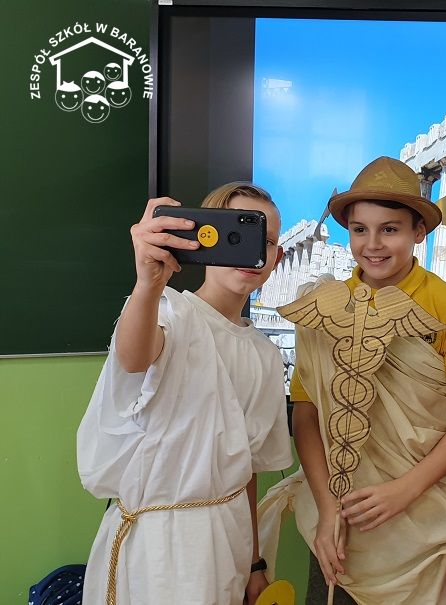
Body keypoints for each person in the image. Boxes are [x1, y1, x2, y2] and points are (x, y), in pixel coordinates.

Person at [268, 156, 446, 604]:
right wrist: (328, 505)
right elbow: (307, 412)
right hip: (339, 515)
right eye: (359, 230)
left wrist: (404, 490)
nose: (372, 244)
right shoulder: (325, 304)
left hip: (420, 514)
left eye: (389, 229)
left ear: (418, 232)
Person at [77, 183, 293, 605]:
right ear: (204, 239)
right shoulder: (169, 312)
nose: (251, 249)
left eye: (265, 240)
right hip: (160, 545)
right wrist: (147, 285)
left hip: (227, 540)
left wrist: (254, 564)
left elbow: (246, 470)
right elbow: (134, 358)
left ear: (277, 257)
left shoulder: (266, 355)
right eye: (236, 232)